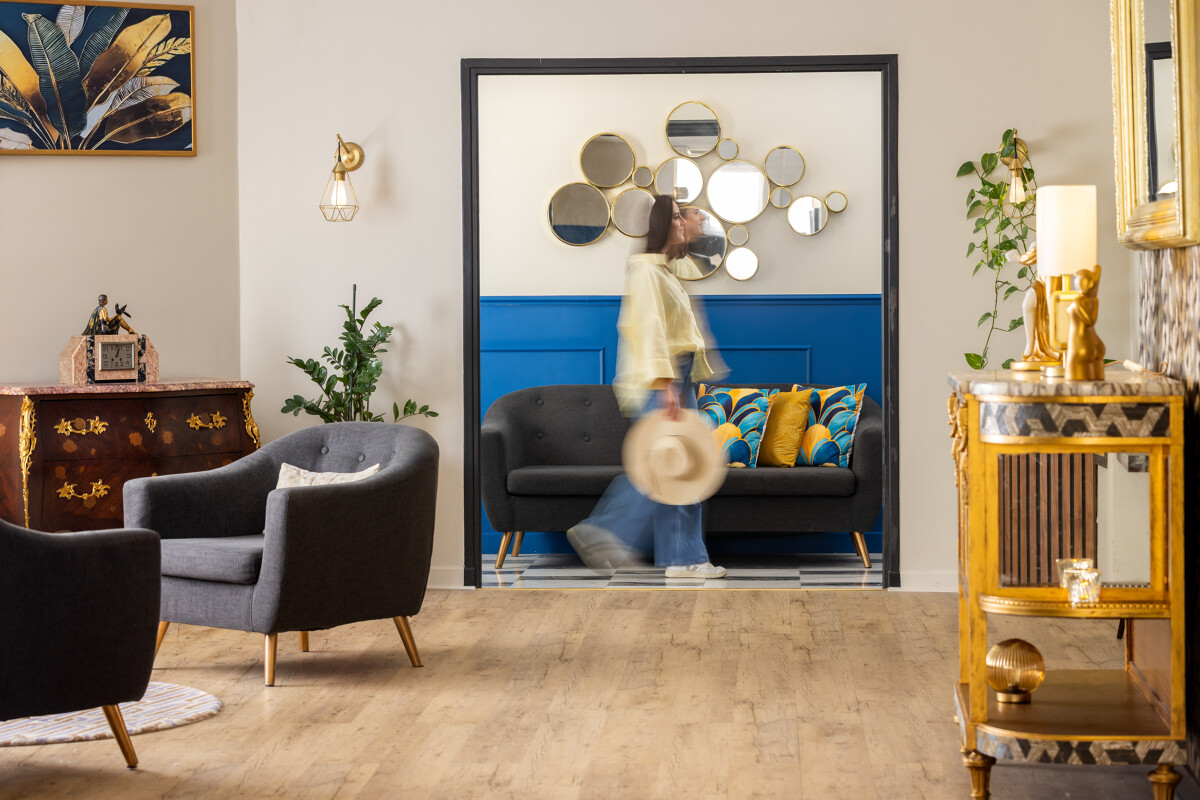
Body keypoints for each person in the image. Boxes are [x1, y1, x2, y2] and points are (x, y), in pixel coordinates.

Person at [567, 195, 728, 579]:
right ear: (659, 225)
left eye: (682, 216)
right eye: (675, 217)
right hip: (661, 380)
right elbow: (649, 331)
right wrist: (664, 385)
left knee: (682, 467)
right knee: (664, 467)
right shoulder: (646, 273)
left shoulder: (666, 271)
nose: (682, 222)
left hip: (675, 377)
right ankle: (601, 530)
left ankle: (682, 560)